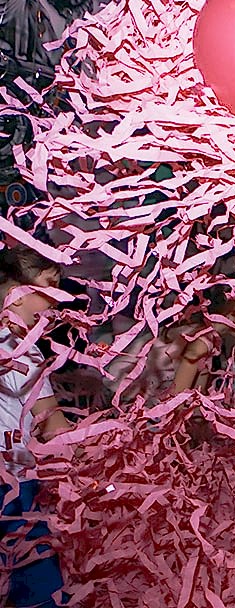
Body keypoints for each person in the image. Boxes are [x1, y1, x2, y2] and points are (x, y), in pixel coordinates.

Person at [0, 243, 71, 608]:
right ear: (17, 293)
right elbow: (53, 427)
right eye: (50, 285)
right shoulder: (22, 349)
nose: (59, 298)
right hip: (15, 486)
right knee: (41, 586)